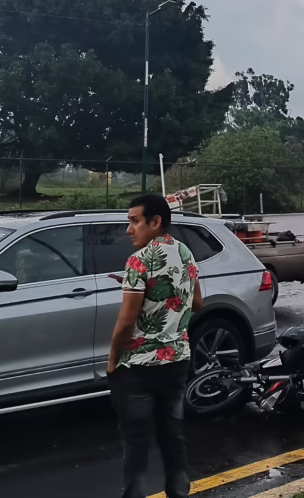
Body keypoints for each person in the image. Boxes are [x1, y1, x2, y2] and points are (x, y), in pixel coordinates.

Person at [107, 194, 203, 498]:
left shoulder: (138, 261)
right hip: (176, 361)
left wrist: (112, 362)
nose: (129, 229)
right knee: (172, 436)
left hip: (138, 367)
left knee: (136, 442)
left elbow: (125, 323)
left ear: (156, 222)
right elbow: (198, 302)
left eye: (134, 221)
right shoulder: (185, 252)